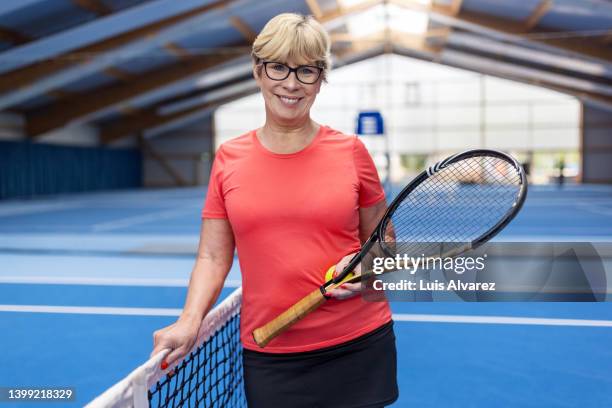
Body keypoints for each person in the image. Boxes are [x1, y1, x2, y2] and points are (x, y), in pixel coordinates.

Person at [151, 13, 398, 407]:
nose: (291, 83)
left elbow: (384, 241)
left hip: (358, 342)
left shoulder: (352, 152)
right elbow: (213, 255)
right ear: (257, 70)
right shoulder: (229, 158)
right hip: (270, 351)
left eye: (306, 71)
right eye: (279, 66)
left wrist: (368, 263)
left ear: (320, 80)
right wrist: (189, 320)